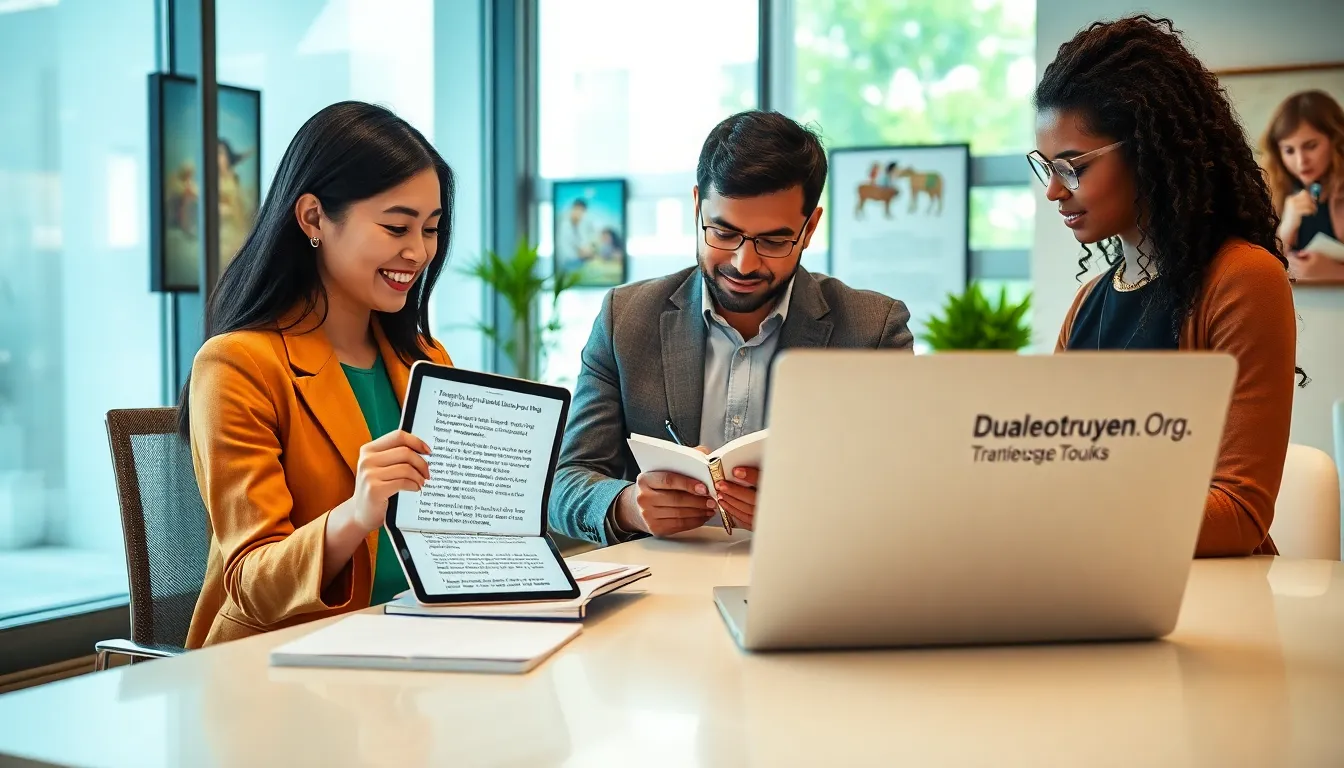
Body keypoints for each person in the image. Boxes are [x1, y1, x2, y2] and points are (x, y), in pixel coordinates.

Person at [549, 110, 914, 545]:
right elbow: (565, 482)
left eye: (774, 241)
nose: (744, 263)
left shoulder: (873, 331)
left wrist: (800, 509)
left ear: (810, 227)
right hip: (657, 594)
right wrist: (629, 505)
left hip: (813, 584)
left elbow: (903, 494)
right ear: (697, 206)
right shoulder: (625, 318)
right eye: (723, 233)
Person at [181, 101, 456, 646]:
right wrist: (357, 514)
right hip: (283, 664)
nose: (418, 251)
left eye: (430, 229)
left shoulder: (426, 359)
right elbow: (251, 583)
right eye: (396, 226)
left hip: (417, 644)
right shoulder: (238, 364)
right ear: (312, 218)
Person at [1031, 15, 1302, 557]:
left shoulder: (1243, 280)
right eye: (1046, 167)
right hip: (1097, 579)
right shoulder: (1088, 303)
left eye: (1072, 167)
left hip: (1213, 599)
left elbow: (1238, 514)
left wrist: (1063, 513)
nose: (1054, 192)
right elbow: (1050, 466)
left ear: (1148, 150)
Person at [1261, 90, 1344, 280]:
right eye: (1289, 150)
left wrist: (1335, 273)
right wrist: (1285, 231)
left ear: (1336, 140)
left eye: (1311, 146)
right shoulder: (1272, 191)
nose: (1301, 161)